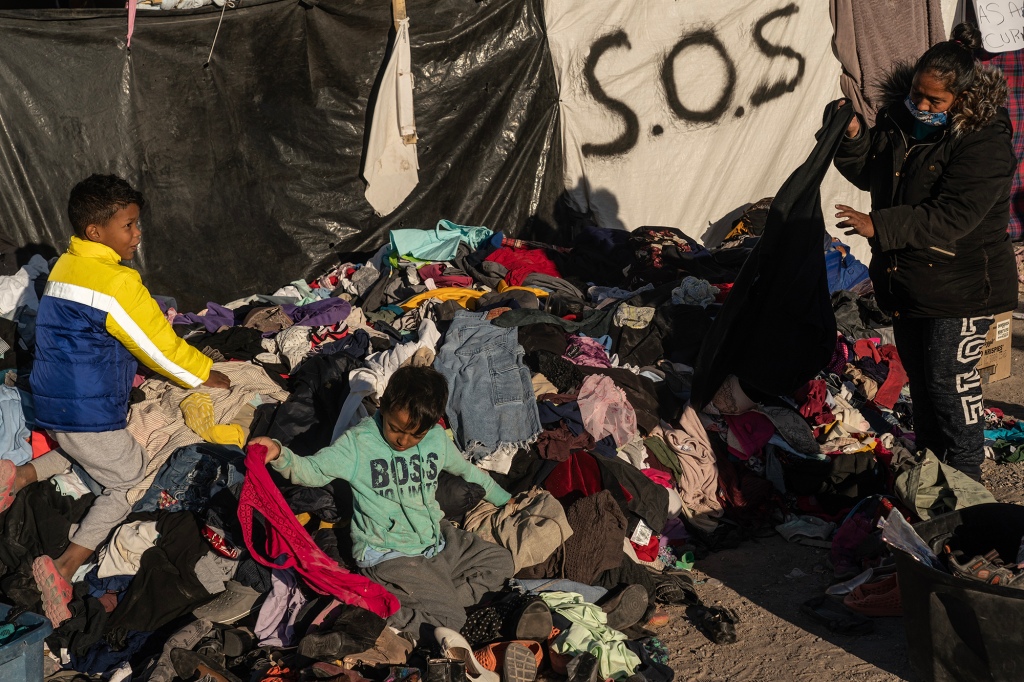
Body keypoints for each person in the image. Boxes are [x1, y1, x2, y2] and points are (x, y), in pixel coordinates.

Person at [0, 174, 230, 626]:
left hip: (53, 402)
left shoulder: (66, 265)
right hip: (89, 409)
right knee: (129, 480)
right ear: (96, 232)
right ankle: (64, 569)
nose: (138, 234)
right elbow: (159, 346)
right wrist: (204, 374)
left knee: (84, 450)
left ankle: (19, 475)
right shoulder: (116, 282)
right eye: (129, 226)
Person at [832, 23, 1018, 481]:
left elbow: (953, 216)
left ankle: (968, 480)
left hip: (963, 285)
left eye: (936, 101)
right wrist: (855, 138)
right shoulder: (902, 119)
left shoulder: (985, 143)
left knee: (949, 386)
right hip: (910, 279)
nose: (922, 106)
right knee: (925, 386)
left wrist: (880, 225)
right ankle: (936, 475)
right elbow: (876, 173)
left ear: (965, 97)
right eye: (918, 94)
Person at [250, 365, 515, 646]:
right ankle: (371, 608)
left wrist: (505, 499)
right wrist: (279, 453)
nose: (403, 441)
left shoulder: (436, 440)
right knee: (451, 622)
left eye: (415, 435)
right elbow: (312, 470)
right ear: (384, 407)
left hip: (437, 539)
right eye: (395, 429)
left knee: (501, 562)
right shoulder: (359, 443)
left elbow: (469, 471)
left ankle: (434, 595)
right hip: (391, 553)